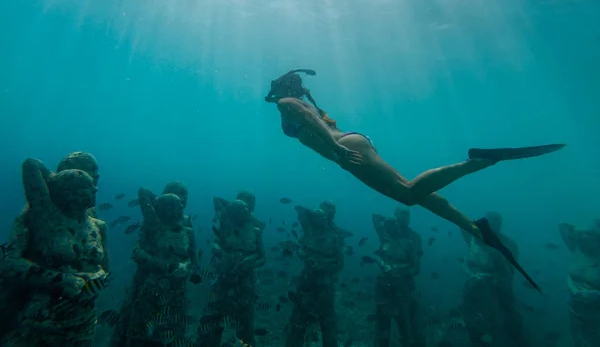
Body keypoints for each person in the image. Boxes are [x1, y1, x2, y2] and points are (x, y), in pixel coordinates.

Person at [265, 68, 564, 289]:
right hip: (353, 143)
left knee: (407, 194)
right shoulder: (303, 101)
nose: (271, 89)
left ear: (282, 86)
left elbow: (312, 122)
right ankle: (473, 228)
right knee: (417, 193)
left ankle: (477, 162)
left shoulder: (286, 103)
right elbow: (318, 119)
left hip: (346, 150)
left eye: (274, 84)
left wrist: (336, 151)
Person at [0, 155, 109, 347]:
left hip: (81, 320)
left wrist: (90, 286)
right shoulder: (38, 214)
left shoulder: (92, 219)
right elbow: (10, 263)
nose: (95, 181)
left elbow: (101, 266)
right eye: (86, 172)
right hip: (35, 317)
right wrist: (64, 281)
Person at [110, 187, 200, 347]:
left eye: (184, 200)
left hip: (176, 289)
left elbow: (191, 259)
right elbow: (137, 252)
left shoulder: (187, 229)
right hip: (151, 287)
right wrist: (165, 267)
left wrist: (185, 267)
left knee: (172, 333)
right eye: (178, 202)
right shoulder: (153, 226)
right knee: (141, 332)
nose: (182, 205)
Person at [197, 191, 265, 347]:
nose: (248, 206)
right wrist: (220, 252)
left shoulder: (255, 230)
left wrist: (251, 263)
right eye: (245, 203)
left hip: (245, 283)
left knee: (245, 326)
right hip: (222, 279)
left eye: (250, 203)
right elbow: (216, 243)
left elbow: (262, 258)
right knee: (210, 321)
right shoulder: (226, 224)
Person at [460, 212, 529, 347]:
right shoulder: (472, 237)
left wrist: (497, 279)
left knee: (510, 316)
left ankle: (517, 340)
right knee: (471, 318)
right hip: (472, 287)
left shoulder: (509, 243)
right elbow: (461, 223)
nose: (493, 224)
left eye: (496, 221)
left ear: (501, 224)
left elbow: (511, 270)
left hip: (498, 287)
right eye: (489, 221)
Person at [286, 201, 346, 347]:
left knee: (328, 322)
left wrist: (323, 266)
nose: (329, 215)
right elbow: (300, 249)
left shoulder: (336, 234)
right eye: (326, 212)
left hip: (325, 285)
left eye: (331, 212)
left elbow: (339, 262)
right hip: (307, 283)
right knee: (298, 321)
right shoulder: (309, 231)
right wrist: (305, 256)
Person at [372, 208, 424, 347]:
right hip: (384, 289)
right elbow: (375, 217)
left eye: (406, 215)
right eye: (400, 215)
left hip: (404, 289)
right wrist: (389, 220)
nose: (403, 218)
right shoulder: (385, 237)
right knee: (382, 327)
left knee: (408, 327)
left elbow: (416, 267)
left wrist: (398, 272)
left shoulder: (412, 239)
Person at [559, 219, 600, 347]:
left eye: (590, 235)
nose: (585, 237)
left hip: (596, 311)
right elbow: (562, 226)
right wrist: (580, 228)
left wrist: (595, 295)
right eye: (583, 234)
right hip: (575, 308)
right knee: (579, 340)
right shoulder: (577, 247)